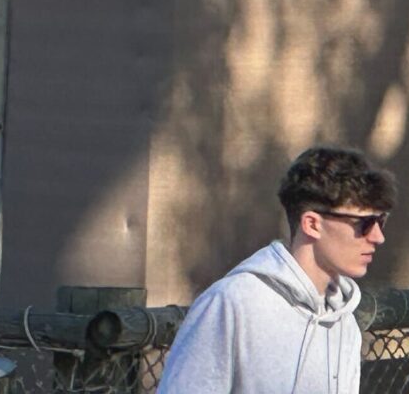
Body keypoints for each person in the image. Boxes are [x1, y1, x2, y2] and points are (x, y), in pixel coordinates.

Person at [155, 145, 394, 394]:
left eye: (381, 221)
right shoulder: (232, 304)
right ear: (312, 224)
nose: (378, 237)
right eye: (364, 224)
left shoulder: (345, 322)